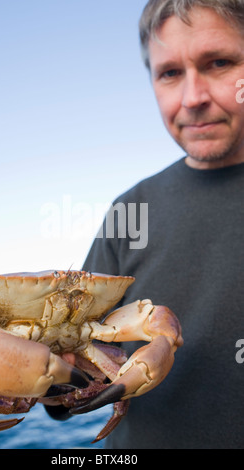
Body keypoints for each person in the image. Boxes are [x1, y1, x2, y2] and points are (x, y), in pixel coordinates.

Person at [81, 0, 244, 449]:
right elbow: (69, 379)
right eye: (169, 73)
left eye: (219, 62)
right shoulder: (129, 211)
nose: (193, 97)